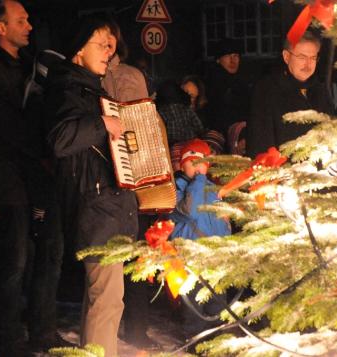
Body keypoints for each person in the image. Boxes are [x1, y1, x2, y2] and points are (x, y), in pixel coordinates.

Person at [0, 0, 65, 355]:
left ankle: (44, 330)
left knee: (50, 253)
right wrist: (44, 151)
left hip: (40, 175)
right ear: (0, 27)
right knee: (16, 259)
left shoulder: (31, 66)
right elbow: (6, 127)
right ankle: (11, 338)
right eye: (20, 21)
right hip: (10, 179)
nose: (29, 26)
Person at [44, 15, 138, 356]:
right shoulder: (68, 88)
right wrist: (102, 123)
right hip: (95, 205)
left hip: (104, 205)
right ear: (78, 51)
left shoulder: (86, 87)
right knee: (107, 300)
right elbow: (59, 139)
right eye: (101, 44)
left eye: (111, 46)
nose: (109, 52)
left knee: (101, 297)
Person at [99, 19, 158, 350]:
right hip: (99, 179)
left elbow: (141, 129)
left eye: (109, 40)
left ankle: (136, 327)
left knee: (133, 252)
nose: (105, 47)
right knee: (107, 257)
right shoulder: (86, 76)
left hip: (129, 176)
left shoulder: (129, 76)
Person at [168, 139, 231, 337]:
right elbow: (190, 210)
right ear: (181, 163)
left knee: (218, 303)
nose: (196, 167)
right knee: (193, 306)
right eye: (191, 161)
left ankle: (217, 341)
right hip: (190, 257)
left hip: (215, 257)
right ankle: (194, 341)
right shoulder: (175, 189)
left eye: (200, 163)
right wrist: (199, 180)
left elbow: (224, 221)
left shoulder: (213, 189)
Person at [246, 31, 334, 157]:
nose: (308, 64)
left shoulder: (320, 89)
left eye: (313, 58)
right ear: (286, 57)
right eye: (302, 57)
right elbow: (260, 143)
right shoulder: (267, 90)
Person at [204, 38, 253, 138]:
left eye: (236, 56)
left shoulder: (244, 81)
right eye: (227, 56)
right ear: (218, 60)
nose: (233, 60)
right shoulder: (212, 82)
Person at [156, 79, 205, 145]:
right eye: (185, 92)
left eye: (192, 96)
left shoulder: (192, 113)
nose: (187, 96)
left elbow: (201, 131)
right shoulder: (160, 110)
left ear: (196, 101)